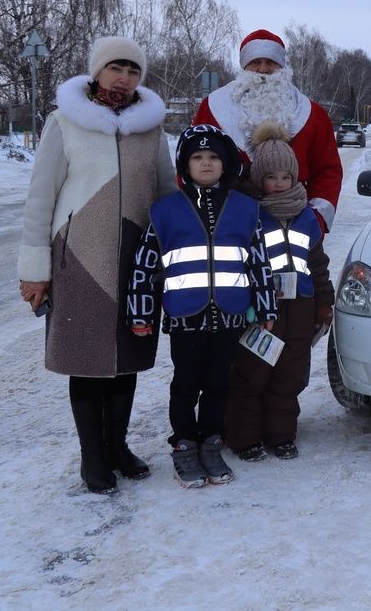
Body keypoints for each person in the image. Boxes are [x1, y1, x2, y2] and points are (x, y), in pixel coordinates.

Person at [17, 37, 176, 495]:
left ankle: (118, 446)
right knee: (86, 361)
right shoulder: (64, 123)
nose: (124, 77)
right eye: (116, 68)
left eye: (132, 70)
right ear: (97, 72)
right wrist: (35, 268)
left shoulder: (151, 130)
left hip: (135, 261)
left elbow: (166, 197)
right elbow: (40, 199)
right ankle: (93, 456)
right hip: (78, 257)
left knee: (127, 359)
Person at [127, 124, 279, 488]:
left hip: (229, 315)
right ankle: (184, 443)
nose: (206, 163)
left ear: (226, 164)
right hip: (185, 317)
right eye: (197, 157)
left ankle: (211, 439)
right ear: (185, 165)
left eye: (213, 157)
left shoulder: (246, 209)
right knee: (185, 384)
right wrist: (140, 312)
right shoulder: (165, 211)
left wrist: (266, 308)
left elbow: (259, 262)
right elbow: (144, 265)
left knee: (217, 383)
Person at [225, 122, 335, 462]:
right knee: (252, 374)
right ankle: (244, 437)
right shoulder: (249, 215)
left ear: (295, 179)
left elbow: (317, 264)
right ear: (260, 179)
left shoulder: (306, 217)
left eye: (285, 177)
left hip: (300, 309)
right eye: (271, 178)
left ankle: (282, 435)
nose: (279, 184)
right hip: (262, 310)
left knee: (289, 373)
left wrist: (324, 302)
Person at [193, 28, 343, 231]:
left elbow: (327, 171)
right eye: (255, 62)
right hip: (227, 226)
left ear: (281, 67)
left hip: (293, 225)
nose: (263, 69)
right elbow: (191, 164)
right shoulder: (213, 107)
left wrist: (316, 220)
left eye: (270, 62)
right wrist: (204, 217)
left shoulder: (311, 113)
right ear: (244, 67)